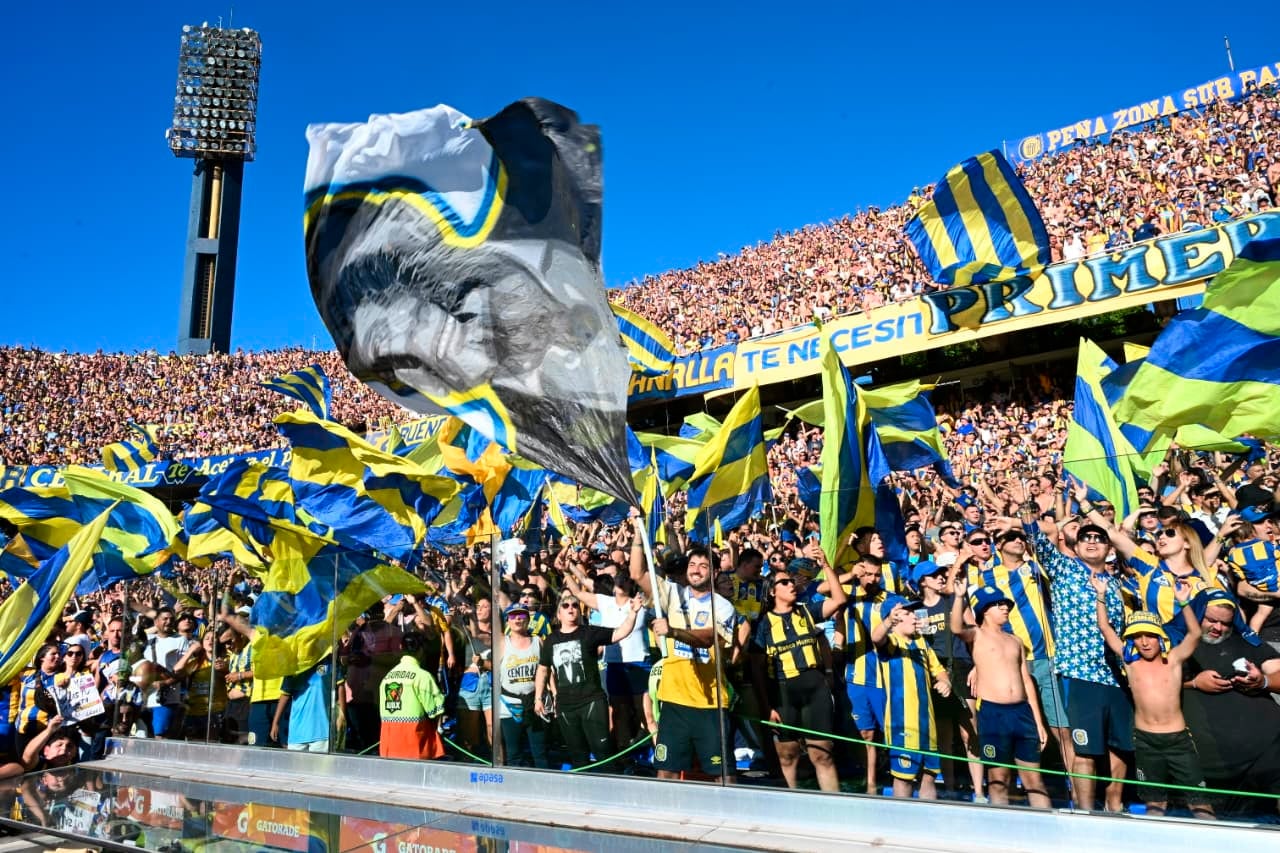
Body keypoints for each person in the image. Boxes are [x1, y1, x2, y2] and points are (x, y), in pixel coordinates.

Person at [1022, 495, 1132, 813]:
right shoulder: (1065, 568)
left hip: (1116, 674)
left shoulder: (1117, 583)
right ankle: (1085, 812)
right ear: (1078, 545)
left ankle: (1114, 806)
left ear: (1109, 548)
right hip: (1078, 672)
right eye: (1086, 538)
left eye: (1099, 538)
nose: (1093, 541)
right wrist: (1026, 510)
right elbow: (1038, 543)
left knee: (1120, 747)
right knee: (1084, 748)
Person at [1091, 579, 1212, 818]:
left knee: (1200, 805)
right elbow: (1105, 627)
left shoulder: (1174, 659)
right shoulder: (1130, 662)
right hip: (1145, 741)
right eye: (1138, 636)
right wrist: (1101, 595)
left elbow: (1195, 632)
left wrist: (1184, 601)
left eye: (1150, 635)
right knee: (1155, 806)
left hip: (1178, 740)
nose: (1144, 642)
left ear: (1160, 637)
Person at [629, 529, 736, 782]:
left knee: (722, 775)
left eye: (704, 565)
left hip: (710, 703)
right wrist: (637, 533)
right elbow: (637, 574)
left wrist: (673, 631)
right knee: (666, 771)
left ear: (715, 572)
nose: (696, 569)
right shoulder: (673, 593)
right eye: (692, 564)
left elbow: (708, 638)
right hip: (674, 700)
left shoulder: (723, 606)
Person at [749, 550, 847, 791]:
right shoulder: (762, 624)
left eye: (792, 581)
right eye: (784, 582)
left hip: (815, 689)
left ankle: (834, 809)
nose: (791, 584)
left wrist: (825, 565)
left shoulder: (806, 610)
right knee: (788, 756)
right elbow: (758, 669)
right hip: (782, 693)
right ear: (772, 591)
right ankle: (790, 805)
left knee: (822, 755)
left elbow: (839, 600)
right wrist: (766, 706)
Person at [950, 578, 1051, 808]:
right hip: (993, 713)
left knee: (1034, 779)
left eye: (1006, 604)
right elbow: (956, 627)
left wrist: (1038, 721)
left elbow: (1026, 680)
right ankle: (1000, 830)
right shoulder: (977, 635)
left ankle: (1046, 833)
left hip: (1022, 712)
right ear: (984, 611)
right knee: (998, 780)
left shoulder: (1015, 640)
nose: (1005, 607)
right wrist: (958, 597)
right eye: (998, 604)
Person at [1182, 590, 1280, 812]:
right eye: (1211, 620)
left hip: (1267, 749)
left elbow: (1277, 671)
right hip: (1211, 761)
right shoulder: (1178, 641)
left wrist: (1263, 681)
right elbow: (1147, 679)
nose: (1218, 628)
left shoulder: (1245, 641)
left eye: (1225, 623)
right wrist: (1194, 682)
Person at [535, 590, 642, 771]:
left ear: (580, 611)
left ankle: (612, 789)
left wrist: (633, 613)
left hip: (592, 700)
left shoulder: (589, 633)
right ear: (559, 613)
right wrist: (538, 697)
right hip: (566, 705)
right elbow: (543, 669)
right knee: (577, 755)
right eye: (566, 605)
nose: (571, 608)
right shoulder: (551, 640)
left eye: (575, 605)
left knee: (602, 751)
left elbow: (620, 633)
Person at [872, 595, 952, 800]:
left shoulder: (922, 642)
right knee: (904, 779)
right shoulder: (891, 643)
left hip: (928, 724)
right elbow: (876, 638)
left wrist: (945, 682)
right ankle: (900, 823)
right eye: (908, 613)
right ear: (895, 618)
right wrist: (888, 621)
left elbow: (939, 670)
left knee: (929, 777)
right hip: (903, 725)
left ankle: (929, 824)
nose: (915, 617)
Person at [379, 632, 446, 760]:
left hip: (389, 746)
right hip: (415, 746)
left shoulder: (387, 678)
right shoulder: (423, 676)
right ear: (421, 650)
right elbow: (436, 711)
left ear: (400, 648)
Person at [495, 604, 547, 768]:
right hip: (510, 705)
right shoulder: (502, 642)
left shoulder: (538, 641)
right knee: (514, 754)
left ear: (528, 619)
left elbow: (547, 670)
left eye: (521, 616)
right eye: (513, 616)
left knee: (540, 752)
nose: (517, 619)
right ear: (507, 621)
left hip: (536, 704)